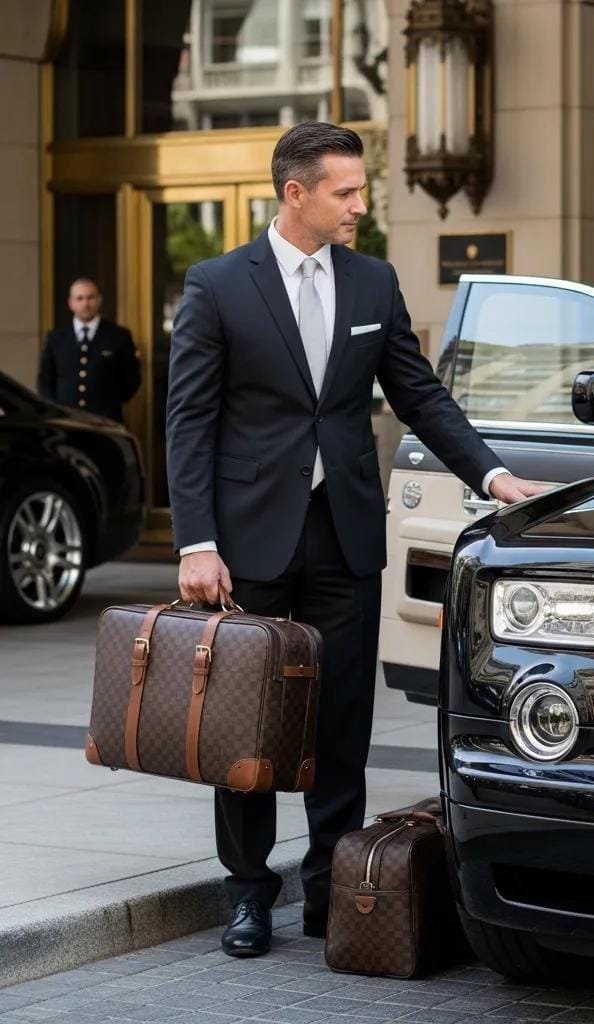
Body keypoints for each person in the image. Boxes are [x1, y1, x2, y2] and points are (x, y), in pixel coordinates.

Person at [166, 122, 543, 959]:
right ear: (295, 193)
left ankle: (332, 894)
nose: (359, 206)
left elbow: (419, 392)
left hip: (344, 539)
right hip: (247, 545)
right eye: (345, 191)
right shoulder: (218, 284)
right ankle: (247, 894)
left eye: (360, 190)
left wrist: (491, 474)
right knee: (250, 731)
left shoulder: (372, 282)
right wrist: (197, 541)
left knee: (340, 724)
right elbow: (188, 422)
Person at [38, 277, 141, 422]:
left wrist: (110, 404)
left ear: (99, 300)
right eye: (79, 298)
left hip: (105, 420)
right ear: (71, 303)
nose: (85, 304)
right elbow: (45, 380)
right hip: (66, 420)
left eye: (90, 298)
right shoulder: (56, 338)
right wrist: (56, 411)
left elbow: (131, 380)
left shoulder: (119, 336)